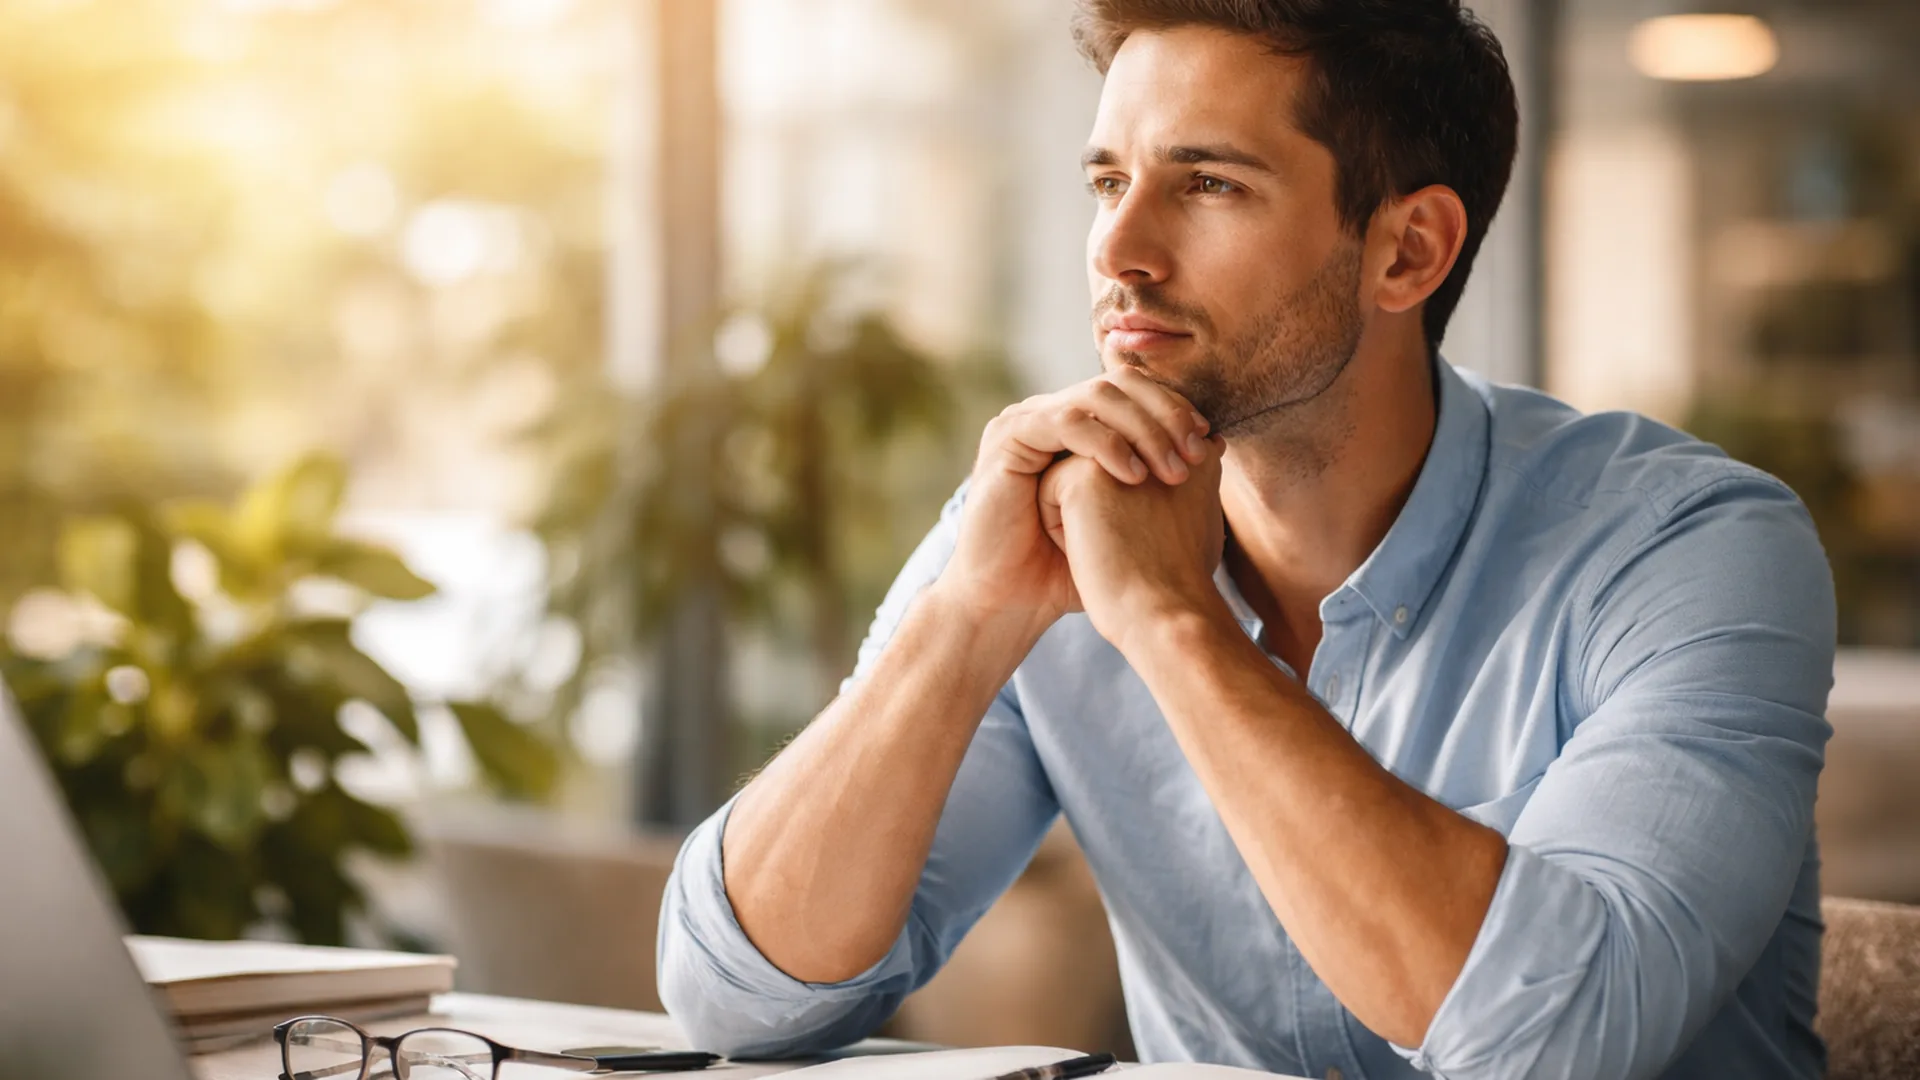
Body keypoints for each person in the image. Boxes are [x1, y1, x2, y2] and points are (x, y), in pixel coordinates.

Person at [656, 1, 1835, 1077]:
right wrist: (964, 620)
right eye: (1106, 180)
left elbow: (1561, 1042)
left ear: (1407, 251)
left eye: (1208, 184)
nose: (1120, 252)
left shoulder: (1691, 549)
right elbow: (736, 1001)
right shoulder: (1042, 528)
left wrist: (1175, 627)